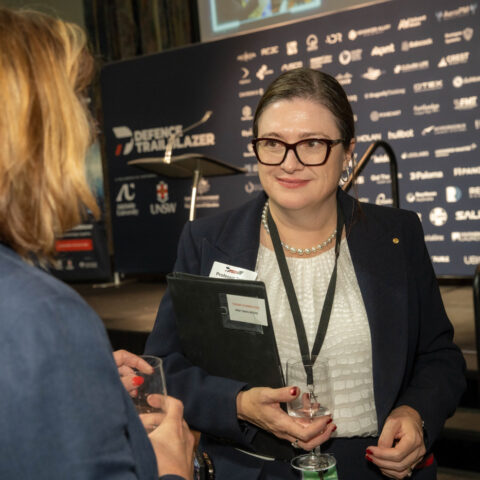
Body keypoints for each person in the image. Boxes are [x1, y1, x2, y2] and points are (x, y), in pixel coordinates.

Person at [145, 68, 466, 479]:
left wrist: (415, 412)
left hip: (377, 467)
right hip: (255, 469)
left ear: (347, 151)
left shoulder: (398, 236)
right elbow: (164, 367)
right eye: (273, 143)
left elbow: (440, 357)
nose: (289, 163)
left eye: (312, 143)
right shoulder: (208, 241)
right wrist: (238, 403)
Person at [0, 8, 193, 480]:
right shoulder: (45, 317)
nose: (90, 129)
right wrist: (172, 468)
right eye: (79, 103)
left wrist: (80, 381)